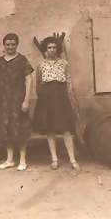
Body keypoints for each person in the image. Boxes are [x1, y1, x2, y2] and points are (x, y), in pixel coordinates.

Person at [32, 36, 80, 171]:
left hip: (61, 97)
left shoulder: (64, 63)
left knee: (66, 129)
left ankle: (72, 159)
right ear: (45, 49)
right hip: (46, 98)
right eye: (49, 48)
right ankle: (54, 159)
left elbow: (69, 83)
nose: (52, 50)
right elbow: (38, 85)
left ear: (58, 49)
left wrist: (68, 98)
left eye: (54, 47)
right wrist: (42, 99)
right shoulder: (40, 65)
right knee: (50, 129)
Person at [0, 33, 34, 171]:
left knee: (20, 128)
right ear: (4, 45)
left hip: (18, 100)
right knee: (6, 128)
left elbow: (29, 79)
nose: (10, 47)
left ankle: (22, 160)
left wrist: (26, 100)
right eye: (8, 44)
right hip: (3, 101)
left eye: (13, 44)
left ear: (17, 45)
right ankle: (9, 159)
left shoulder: (22, 60)